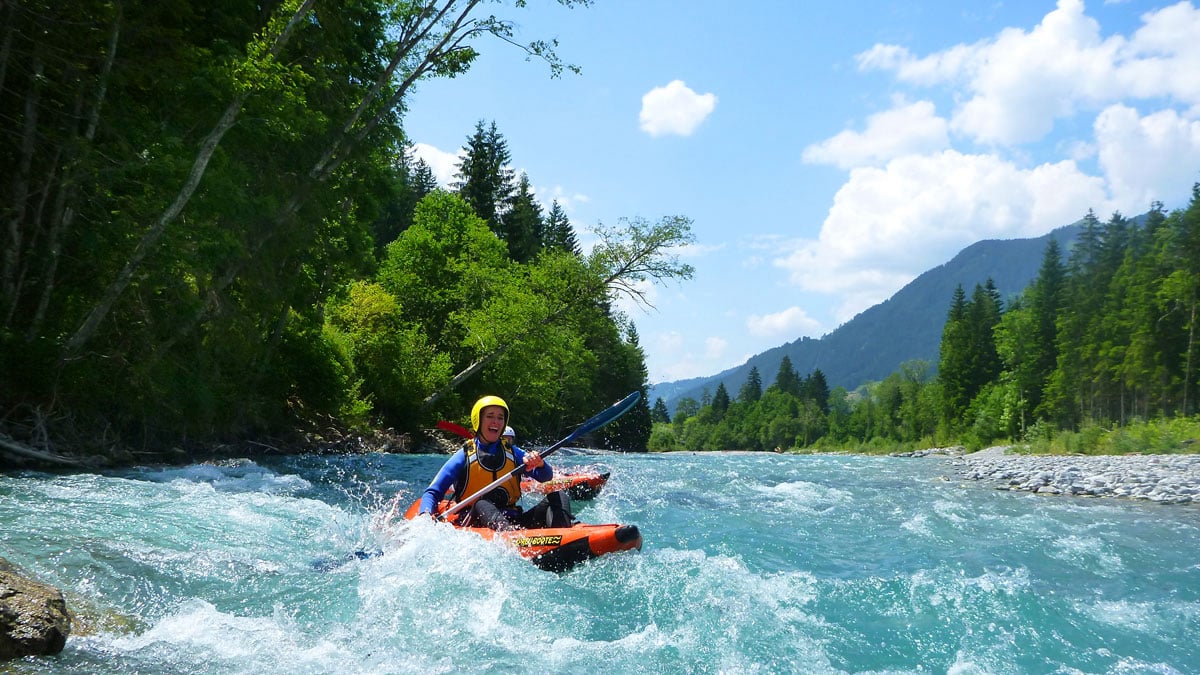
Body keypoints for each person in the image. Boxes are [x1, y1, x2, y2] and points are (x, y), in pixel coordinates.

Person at [418, 395, 573, 530]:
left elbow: (545, 476)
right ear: (478, 420)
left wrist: (540, 464)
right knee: (481, 503)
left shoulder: (513, 452)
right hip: (476, 522)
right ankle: (510, 539)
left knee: (558, 496)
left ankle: (564, 538)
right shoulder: (464, 456)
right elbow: (433, 492)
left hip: (513, 521)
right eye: (490, 416)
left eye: (500, 418)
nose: (496, 422)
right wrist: (425, 515)